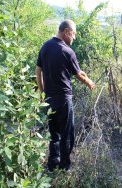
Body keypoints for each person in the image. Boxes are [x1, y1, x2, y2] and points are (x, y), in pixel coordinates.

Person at [35, 19, 95, 171]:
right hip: (63, 100)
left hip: (48, 100)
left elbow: (38, 71)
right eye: (73, 34)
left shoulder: (45, 46)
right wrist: (89, 83)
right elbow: (79, 76)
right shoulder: (67, 51)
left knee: (54, 134)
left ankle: (52, 164)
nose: (74, 38)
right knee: (67, 134)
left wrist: (42, 92)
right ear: (67, 32)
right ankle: (65, 167)